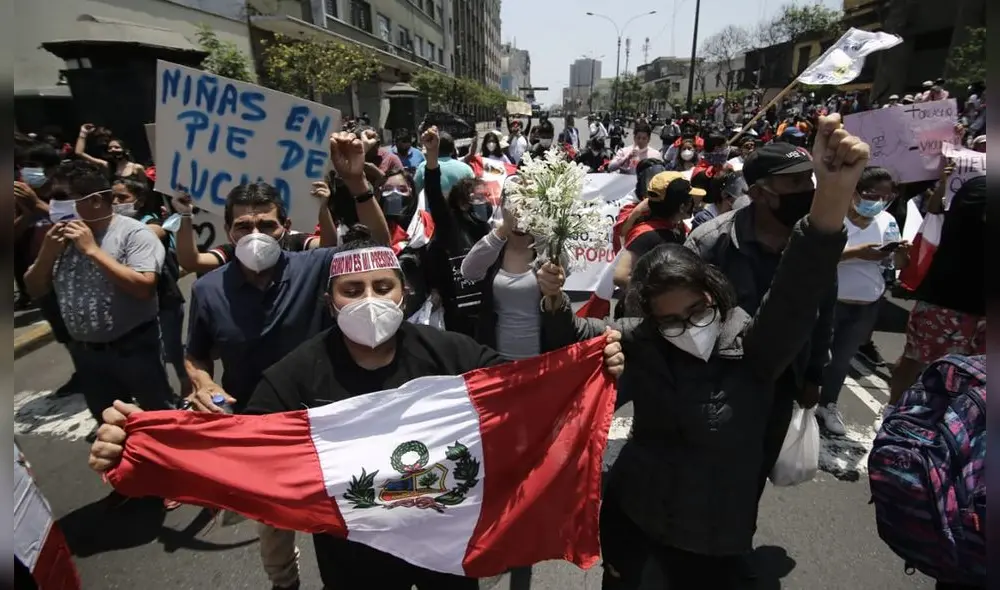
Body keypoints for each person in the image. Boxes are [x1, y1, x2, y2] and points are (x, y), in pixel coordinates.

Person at [88, 243, 625, 590]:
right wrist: (140, 443)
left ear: (404, 293)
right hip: (355, 556)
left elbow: (524, 394)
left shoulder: (451, 352)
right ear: (331, 301)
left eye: (382, 287)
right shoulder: (295, 376)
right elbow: (239, 451)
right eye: (352, 290)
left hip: (448, 546)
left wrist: (589, 361)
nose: (369, 300)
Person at [534, 113, 868, 588]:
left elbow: (799, 291)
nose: (685, 327)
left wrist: (831, 198)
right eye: (669, 320)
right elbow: (572, 336)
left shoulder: (756, 350)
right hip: (634, 519)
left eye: (695, 311)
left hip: (712, 540)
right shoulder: (642, 341)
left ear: (715, 293)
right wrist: (551, 297)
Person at [684, 138, 839, 556]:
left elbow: (823, 310)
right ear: (758, 193)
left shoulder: (813, 244)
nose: (807, 189)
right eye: (793, 184)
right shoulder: (710, 242)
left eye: (809, 179)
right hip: (716, 383)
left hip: (779, 386)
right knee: (705, 470)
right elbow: (677, 315)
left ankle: (736, 547)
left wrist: (813, 375)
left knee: (752, 475)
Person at [22, 160, 175, 440]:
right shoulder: (59, 236)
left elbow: (143, 287)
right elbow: (34, 287)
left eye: (62, 198)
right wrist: (47, 253)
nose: (53, 205)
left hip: (133, 348)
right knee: (110, 426)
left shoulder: (132, 233)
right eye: (51, 197)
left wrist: (92, 251)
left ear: (94, 200)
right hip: (87, 353)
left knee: (158, 417)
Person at [815, 167, 907, 435]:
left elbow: (896, 263)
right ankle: (801, 405)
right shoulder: (834, 216)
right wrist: (858, 253)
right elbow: (817, 255)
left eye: (885, 196)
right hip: (830, 301)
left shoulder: (887, 220)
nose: (878, 201)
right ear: (855, 191)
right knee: (816, 356)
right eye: (872, 194)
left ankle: (827, 403)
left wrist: (902, 254)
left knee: (841, 360)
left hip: (866, 305)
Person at [888, 174, 985, 409]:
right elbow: (938, 207)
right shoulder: (979, 188)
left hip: (984, 314)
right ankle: (893, 410)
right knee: (914, 360)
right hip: (945, 302)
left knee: (971, 377)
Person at [111, 175, 191, 397]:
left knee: (172, 348)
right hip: (131, 302)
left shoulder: (151, 222)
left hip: (164, 299)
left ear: (139, 200)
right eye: (112, 197)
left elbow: (155, 233)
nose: (116, 202)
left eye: (123, 197)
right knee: (149, 353)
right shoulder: (110, 225)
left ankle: (187, 383)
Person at [420, 127, 492, 337]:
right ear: (462, 203)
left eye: (486, 197)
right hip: (457, 317)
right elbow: (433, 192)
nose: (484, 203)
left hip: (486, 316)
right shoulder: (450, 225)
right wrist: (432, 156)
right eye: (477, 198)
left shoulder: (488, 231)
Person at [613, 172, 703, 291]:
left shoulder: (676, 229)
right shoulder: (648, 235)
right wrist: (658, 298)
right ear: (682, 207)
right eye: (690, 199)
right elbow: (621, 277)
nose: (694, 202)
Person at [414, 130, 474, 197]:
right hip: (459, 207)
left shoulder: (424, 166)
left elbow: (415, 192)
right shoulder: (466, 169)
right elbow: (473, 193)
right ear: (452, 150)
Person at [74, 124, 144, 178]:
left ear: (125, 150)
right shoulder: (107, 166)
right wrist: (83, 133)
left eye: (116, 147)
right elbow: (79, 153)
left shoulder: (136, 168)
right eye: (110, 148)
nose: (113, 149)